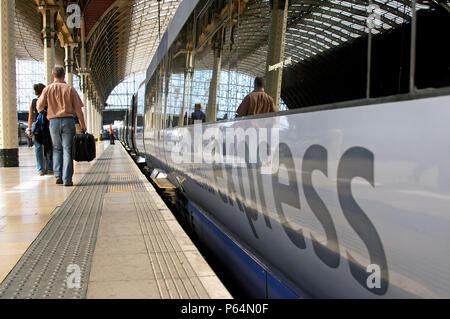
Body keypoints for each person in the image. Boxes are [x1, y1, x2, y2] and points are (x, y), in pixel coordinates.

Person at [37, 66, 87, 186]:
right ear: (64, 75)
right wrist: (83, 125)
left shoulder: (47, 89)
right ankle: (67, 179)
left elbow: (39, 107)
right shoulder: (70, 89)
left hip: (53, 122)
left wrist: (48, 108)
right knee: (68, 149)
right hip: (68, 121)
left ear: (53, 76)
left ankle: (58, 174)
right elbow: (78, 110)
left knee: (57, 148)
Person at [27, 83, 53, 176]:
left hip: (36, 126)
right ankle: (50, 168)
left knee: (38, 148)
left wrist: (29, 129)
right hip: (47, 125)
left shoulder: (33, 102)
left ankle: (40, 170)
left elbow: (30, 117)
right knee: (49, 146)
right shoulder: (47, 101)